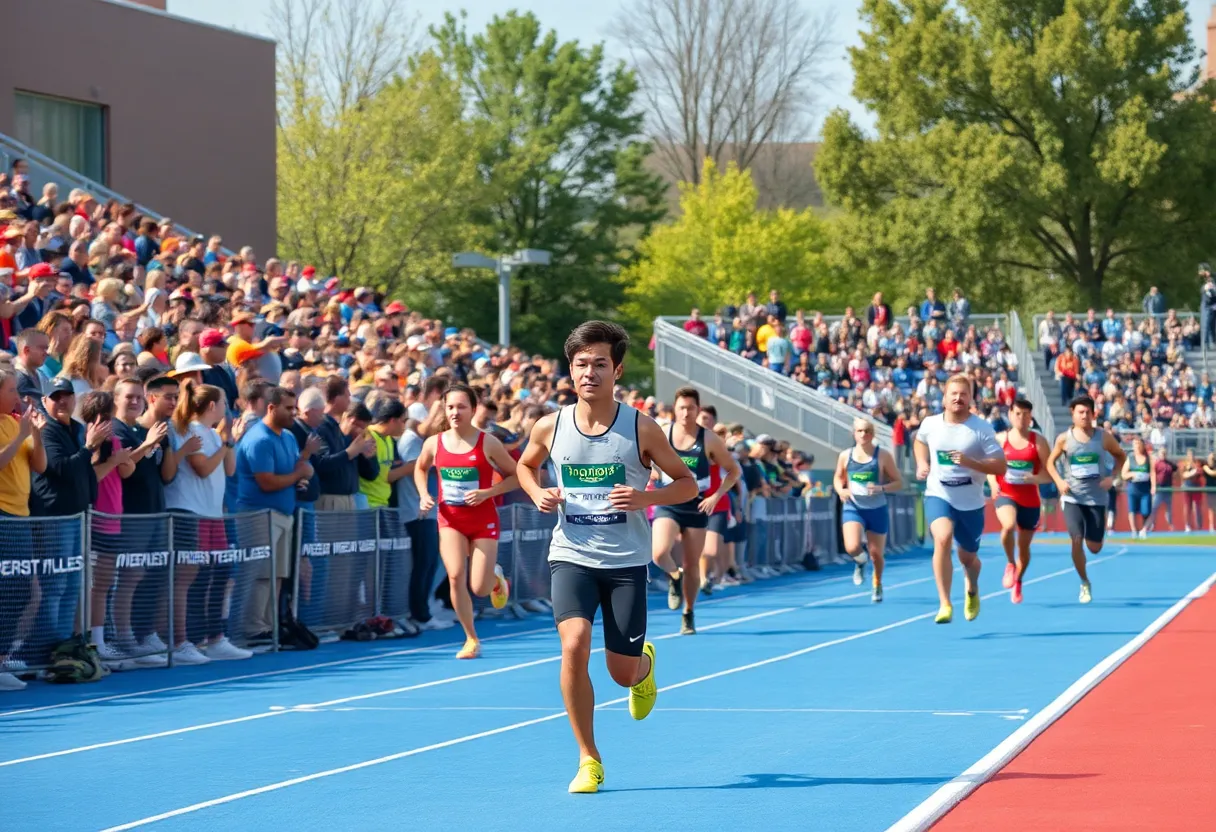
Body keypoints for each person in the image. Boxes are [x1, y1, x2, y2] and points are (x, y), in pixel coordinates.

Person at [516, 321, 698, 794]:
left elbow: (687, 484)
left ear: (616, 370)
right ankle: (588, 759)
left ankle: (643, 667)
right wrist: (536, 491)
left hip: (625, 564)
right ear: (570, 370)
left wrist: (646, 498)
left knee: (620, 674)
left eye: (600, 364)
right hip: (570, 555)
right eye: (582, 364)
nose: (590, 372)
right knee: (573, 645)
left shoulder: (641, 426)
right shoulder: (550, 425)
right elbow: (525, 464)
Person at [414, 384, 519, 659]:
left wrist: (488, 492)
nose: (455, 412)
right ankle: (471, 638)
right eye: (450, 407)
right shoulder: (434, 443)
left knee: (479, 588)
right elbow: (420, 467)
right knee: (455, 575)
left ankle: (496, 578)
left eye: (461, 407)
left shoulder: (488, 442)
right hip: (450, 519)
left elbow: (516, 475)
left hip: (483, 520)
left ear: (473, 409)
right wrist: (424, 494)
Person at [913, 375, 1006, 623]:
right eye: (953, 394)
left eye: (963, 394)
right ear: (944, 399)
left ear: (971, 399)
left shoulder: (981, 429)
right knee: (942, 538)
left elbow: (1000, 466)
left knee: (968, 559)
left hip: (970, 502)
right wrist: (922, 463)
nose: (958, 398)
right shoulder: (931, 424)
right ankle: (944, 603)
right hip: (939, 494)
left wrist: (970, 462)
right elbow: (920, 442)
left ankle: (972, 588)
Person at [650, 386, 739, 634]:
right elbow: (645, 458)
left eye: (690, 408)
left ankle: (688, 612)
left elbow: (733, 471)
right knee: (659, 553)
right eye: (681, 408)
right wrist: (652, 472)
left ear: (697, 410)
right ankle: (673, 576)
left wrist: (716, 496)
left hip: (696, 505)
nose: (686, 413)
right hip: (668, 500)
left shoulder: (709, 439)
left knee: (692, 564)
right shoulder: (662, 433)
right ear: (674, 410)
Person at [1046, 395, 1127, 604]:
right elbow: (1049, 463)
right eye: (1080, 412)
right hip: (1072, 497)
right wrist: (1059, 482)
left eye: (1087, 412)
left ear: (1093, 414)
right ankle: (1084, 581)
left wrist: (1113, 477)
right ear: (1072, 414)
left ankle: (1094, 540)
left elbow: (1121, 456)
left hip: (1097, 498)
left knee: (1095, 547)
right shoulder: (1064, 439)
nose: (1084, 416)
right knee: (1075, 539)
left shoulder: (1103, 437)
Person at [986, 398, 1050, 604]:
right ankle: (1010, 564)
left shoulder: (1037, 442)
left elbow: (1049, 474)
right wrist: (993, 484)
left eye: (1026, 415)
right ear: (1011, 415)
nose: (1022, 418)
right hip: (1006, 494)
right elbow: (989, 466)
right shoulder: (999, 439)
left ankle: (1019, 580)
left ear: (1031, 417)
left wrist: (1035, 478)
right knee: (1008, 526)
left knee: (1024, 549)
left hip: (1030, 500)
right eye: (1018, 414)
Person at [833, 416, 902, 603]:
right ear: (854, 434)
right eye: (860, 431)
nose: (864, 434)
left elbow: (898, 482)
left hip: (876, 508)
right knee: (852, 546)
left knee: (876, 553)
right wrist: (841, 490)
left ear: (873, 434)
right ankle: (860, 561)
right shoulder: (845, 456)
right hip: (853, 507)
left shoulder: (883, 455)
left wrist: (881, 488)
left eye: (867, 431)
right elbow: (838, 478)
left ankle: (877, 583)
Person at [1122, 435, 1153, 539]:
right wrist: (1132, 474)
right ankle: (1134, 530)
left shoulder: (1148, 458)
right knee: (1132, 510)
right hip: (1133, 487)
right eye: (1135, 444)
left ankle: (1144, 530)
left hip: (1145, 487)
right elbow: (1123, 474)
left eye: (1138, 444)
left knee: (1146, 511)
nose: (1137, 446)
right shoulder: (1130, 458)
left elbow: (1152, 473)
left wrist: (1153, 486)